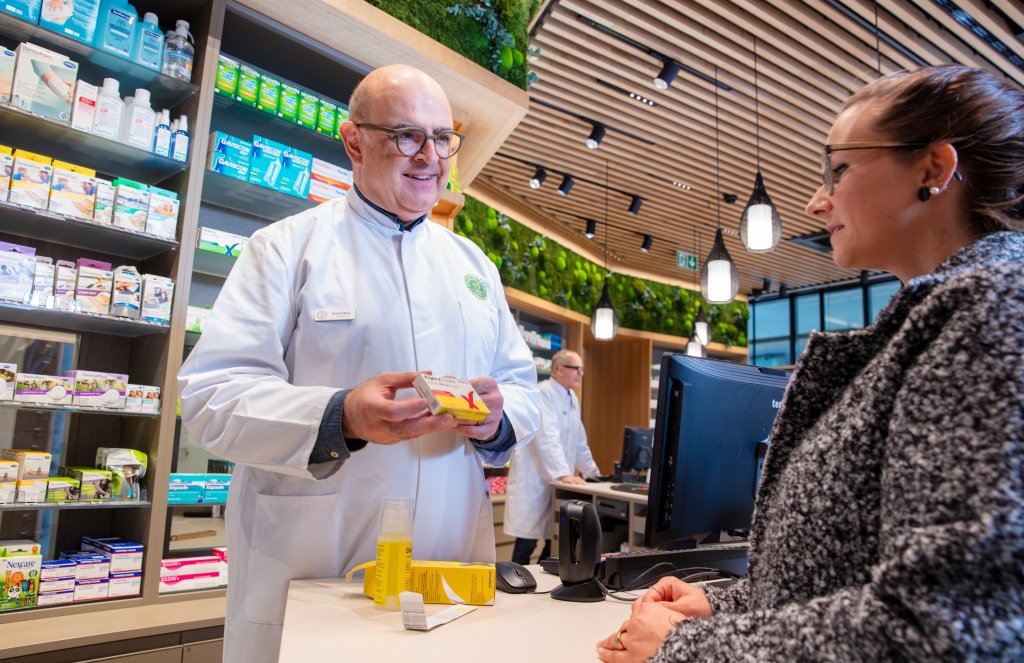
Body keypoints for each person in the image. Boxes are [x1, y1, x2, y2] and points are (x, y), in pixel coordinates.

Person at [598, 64, 1024, 662]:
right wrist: (728, 605)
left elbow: (950, 629)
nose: (816, 200)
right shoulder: (949, 315)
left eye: (839, 170)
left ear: (934, 169)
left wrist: (691, 646)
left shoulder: (994, 308)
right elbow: (846, 578)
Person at [178, 64, 539, 663]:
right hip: (316, 565)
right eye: (406, 135)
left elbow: (520, 387)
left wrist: (496, 420)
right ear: (353, 141)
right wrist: (339, 415)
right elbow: (211, 398)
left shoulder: (474, 268)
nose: (429, 156)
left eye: (442, 138)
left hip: (446, 567)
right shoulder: (285, 248)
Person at [504, 349, 601, 564]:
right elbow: (546, 436)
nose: (580, 374)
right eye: (576, 368)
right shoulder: (542, 393)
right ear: (559, 369)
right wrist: (563, 473)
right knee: (527, 542)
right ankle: (513, 579)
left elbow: (578, 439)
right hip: (535, 481)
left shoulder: (571, 398)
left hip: (557, 481)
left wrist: (592, 472)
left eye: (581, 369)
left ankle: (540, 580)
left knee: (554, 538)